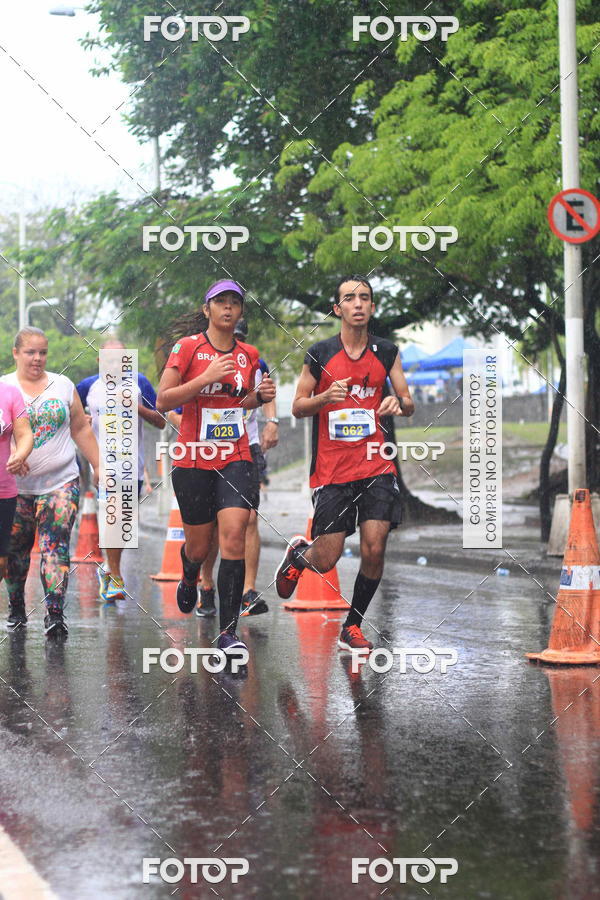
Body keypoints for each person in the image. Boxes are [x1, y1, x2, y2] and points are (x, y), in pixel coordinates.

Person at [274, 276, 414, 652]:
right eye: (350, 298)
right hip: (332, 470)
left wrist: (397, 403)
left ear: (372, 307)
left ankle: (352, 625)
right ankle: (299, 555)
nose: (358, 304)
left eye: (364, 298)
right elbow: (297, 407)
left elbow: (408, 401)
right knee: (326, 558)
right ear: (337, 309)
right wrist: (324, 398)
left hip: (376, 465)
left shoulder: (386, 351)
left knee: (375, 547)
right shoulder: (320, 353)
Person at [156, 280, 276, 658]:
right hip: (193, 458)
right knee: (199, 545)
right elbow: (163, 400)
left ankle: (228, 633)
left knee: (234, 536)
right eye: (220, 302)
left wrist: (259, 397)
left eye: (234, 303)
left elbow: (240, 402)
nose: (227, 308)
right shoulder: (187, 348)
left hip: (236, 455)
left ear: (240, 312)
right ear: (207, 309)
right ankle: (190, 571)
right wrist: (205, 378)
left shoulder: (249, 354)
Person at [2, 327, 100, 636]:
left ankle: (55, 613)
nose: (37, 358)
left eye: (42, 352)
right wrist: (14, 455)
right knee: (15, 552)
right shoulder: (4, 387)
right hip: (15, 488)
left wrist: (99, 465)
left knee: (55, 546)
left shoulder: (62, 385)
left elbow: (80, 429)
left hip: (60, 481)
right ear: (16, 353)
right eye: (30, 352)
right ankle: (17, 607)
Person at [190, 317, 279, 618]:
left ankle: (247, 592)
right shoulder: (200, 360)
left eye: (238, 337)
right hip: (207, 448)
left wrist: (272, 421)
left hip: (245, 446)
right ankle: (206, 585)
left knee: (248, 519)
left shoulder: (254, 360)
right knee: (213, 525)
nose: (233, 341)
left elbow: (266, 391)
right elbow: (177, 406)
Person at [77, 338, 164, 602]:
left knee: (124, 524)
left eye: (121, 360)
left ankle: (109, 567)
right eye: (109, 360)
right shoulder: (88, 386)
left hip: (132, 467)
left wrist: (135, 407)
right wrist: (82, 419)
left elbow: (160, 421)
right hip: (103, 465)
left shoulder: (139, 383)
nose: (115, 365)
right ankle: (115, 576)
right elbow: (71, 416)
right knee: (113, 518)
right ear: (100, 361)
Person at [0, 382, 33, 610]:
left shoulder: (9, 393)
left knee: (1, 561)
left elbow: (25, 433)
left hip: (3, 492)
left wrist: (20, 455)